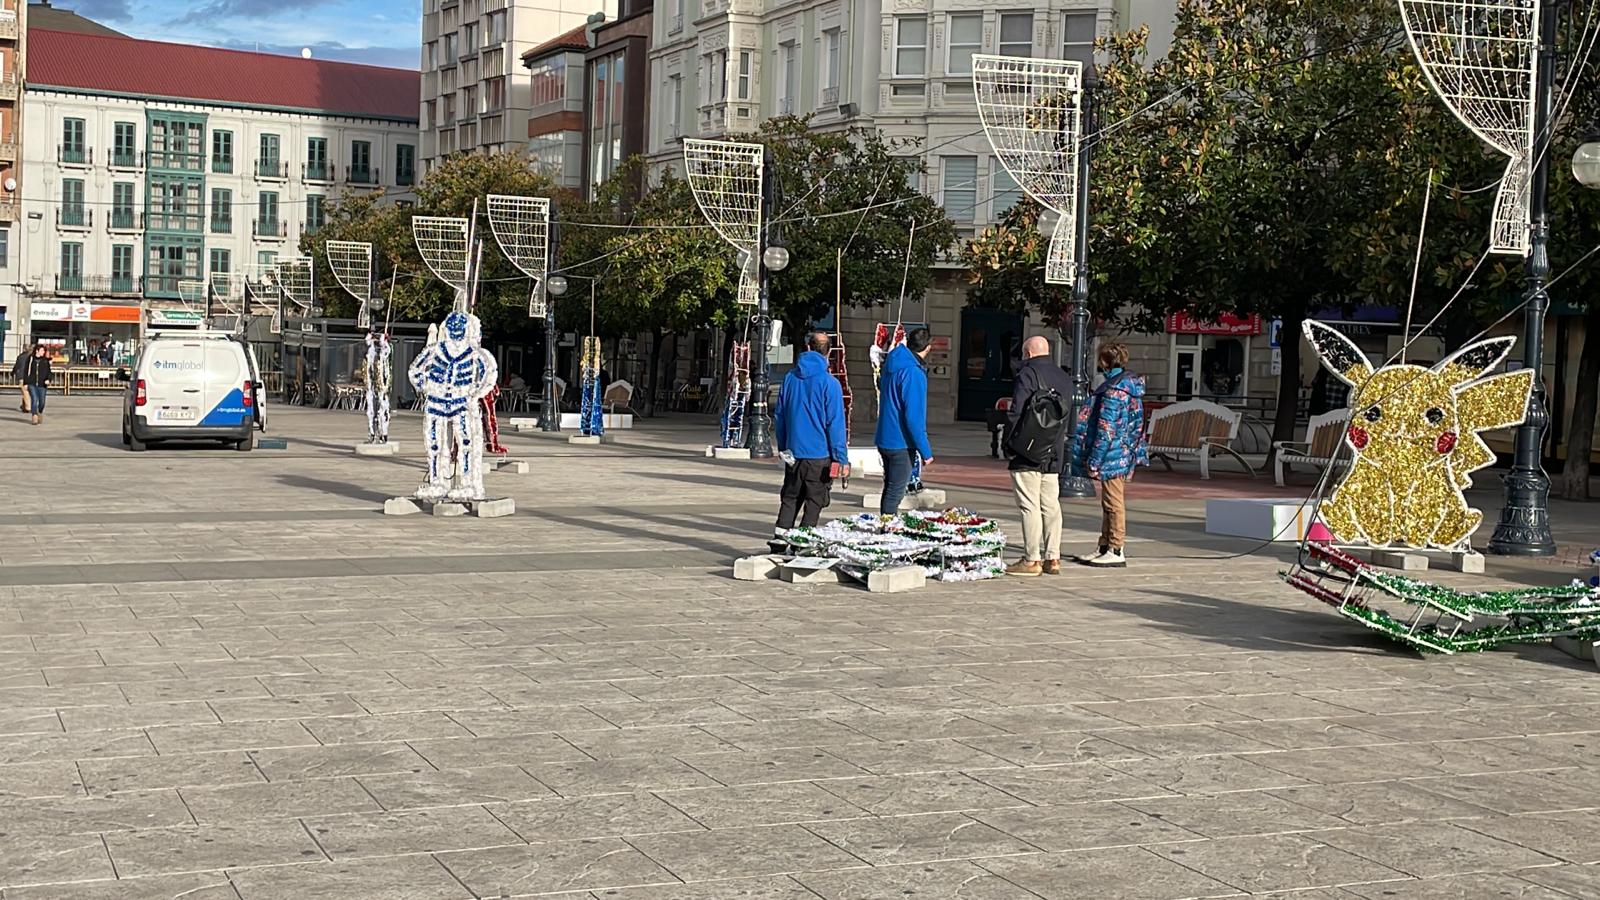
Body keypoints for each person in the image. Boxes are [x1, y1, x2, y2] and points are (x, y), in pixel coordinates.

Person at [1072, 342, 1148, 567]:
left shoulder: (1114, 391)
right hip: (1123, 450)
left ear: (1105, 362)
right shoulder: (1127, 385)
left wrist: (1094, 460)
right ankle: (1105, 545)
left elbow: (1106, 428)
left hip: (1113, 452)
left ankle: (1116, 548)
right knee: (1109, 501)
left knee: (1113, 501)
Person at [1003, 336, 1074, 576]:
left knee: (1029, 505)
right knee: (1051, 505)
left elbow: (1017, 412)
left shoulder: (1028, 374)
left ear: (1028, 353)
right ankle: (1053, 557)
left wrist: (1009, 444)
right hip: (1054, 450)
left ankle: (1031, 559)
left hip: (1028, 449)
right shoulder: (1064, 377)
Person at [772, 332, 850, 546]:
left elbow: (780, 417)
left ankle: (779, 540)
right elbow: (835, 425)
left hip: (794, 453)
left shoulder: (790, 379)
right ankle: (803, 543)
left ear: (807, 348)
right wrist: (841, 458)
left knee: (790, 497)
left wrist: (784, 447)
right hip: (819, 455)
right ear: (829, 352)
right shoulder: (830, 384)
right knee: (814, 501)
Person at [874, 327, 934, 515]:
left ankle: (887, 526)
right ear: (928, 347)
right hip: (900, 440)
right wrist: (925, 451)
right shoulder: (913, 372)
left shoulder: (892, 363)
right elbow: (913, 415)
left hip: (885, 435)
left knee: (890, 488)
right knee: (895, 491)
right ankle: (887, 531)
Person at [21, 344, 52, 426]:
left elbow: (49, 372)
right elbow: (26, 371)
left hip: (42, 384)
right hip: (32, 383)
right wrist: (25, 383)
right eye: (42, 350)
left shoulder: (45, 360)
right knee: (34, 399)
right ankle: (34, 415)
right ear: (37, 351)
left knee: (42, 402)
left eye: (44, 351)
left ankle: (39, 412)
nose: (43, 352)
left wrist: (48, 379)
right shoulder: (30, 359)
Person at [12, 343, 32, 414]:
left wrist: (13, 373)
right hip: (30, 376)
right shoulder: (32, 356)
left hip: (22, 376)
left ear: (24, 349)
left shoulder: (20, 357)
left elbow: (16, 366)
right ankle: (24, 406)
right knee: (26, 391)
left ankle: (28, 407)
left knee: (25, 392)